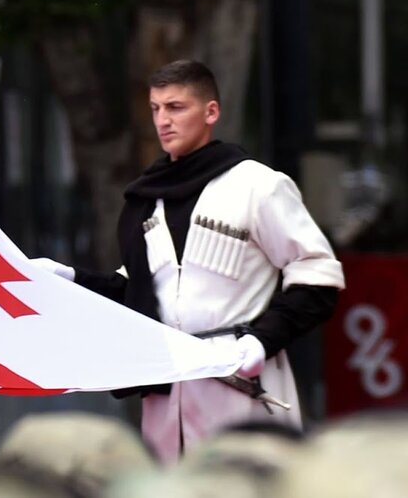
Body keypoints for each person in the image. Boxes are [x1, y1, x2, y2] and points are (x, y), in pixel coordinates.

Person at [34, 60, 345, 462]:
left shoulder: (257, 185)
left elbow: (318, 276)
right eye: (155, 108)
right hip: (168, 385)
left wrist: (262, 339)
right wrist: (68, 279)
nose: (163, 120)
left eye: (176, 107)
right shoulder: (147, 199)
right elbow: (138, 293)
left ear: (210, 112)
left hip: (240, 380)